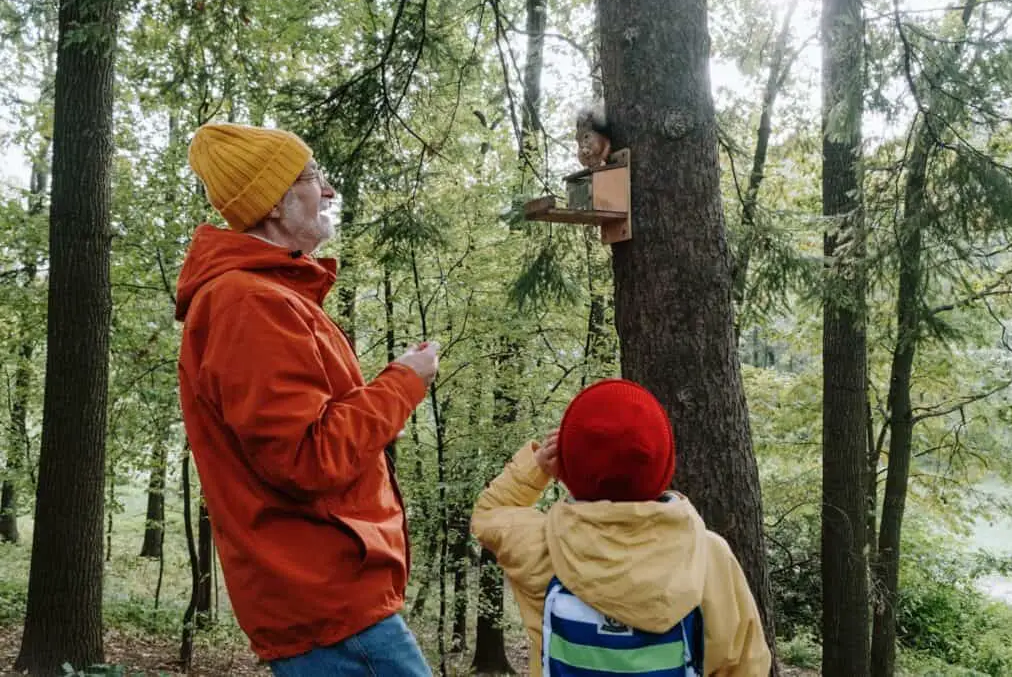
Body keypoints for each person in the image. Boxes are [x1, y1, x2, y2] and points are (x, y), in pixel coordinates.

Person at [176, 122, 437, 676]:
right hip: (328, 603)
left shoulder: (267, 295)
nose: (329, 191)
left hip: (332, 600)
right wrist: (404, 383)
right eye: (313, 177)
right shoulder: (247, 303)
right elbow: (308, 458)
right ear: (273, 201)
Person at [471, 378, 772, 677]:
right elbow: (747, 665)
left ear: (569, 467)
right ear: (664, 463)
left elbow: (488, 513)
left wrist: (537, 465)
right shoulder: (709, 556)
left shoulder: (540, 545)